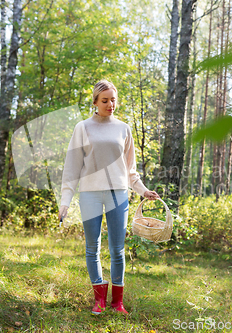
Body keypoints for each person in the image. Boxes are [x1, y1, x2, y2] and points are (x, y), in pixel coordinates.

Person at [58, 79, 160, 315]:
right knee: (92, 247)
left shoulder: (124, 128)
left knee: (117, 249)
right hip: (89, 194)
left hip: (119, 194)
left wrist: (143, 190)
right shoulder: (82, 128)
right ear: (95, 102)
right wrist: (65, 200)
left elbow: (130, 170)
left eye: (113, 99)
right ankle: (99, 299)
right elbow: (72, 168)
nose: (110, 104)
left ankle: (117, 302)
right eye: (105, 100)